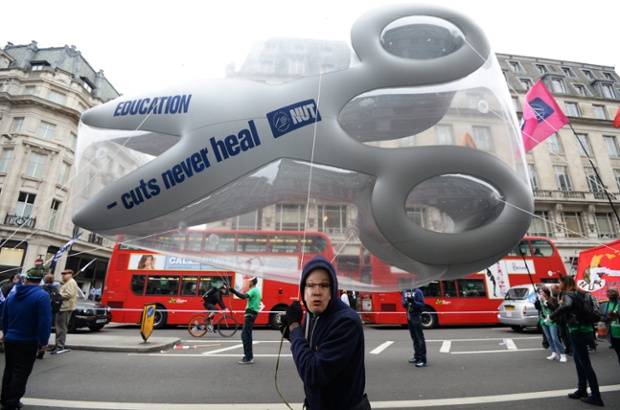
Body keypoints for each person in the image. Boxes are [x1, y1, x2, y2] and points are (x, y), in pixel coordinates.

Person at [284, 256, 370, 410]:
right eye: (310, 285)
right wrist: (292, 334)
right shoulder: (313, 315)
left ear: (332, 290)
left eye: (324, 285)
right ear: (303, 290)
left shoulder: (346, 322)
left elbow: (313, 373)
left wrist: (294, 328)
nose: (316, 292)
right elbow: (313, 347)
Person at [549, 275, 604, 407]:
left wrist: (552, 316)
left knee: (585, 363)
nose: (558, 284)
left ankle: (596, 396)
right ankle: (582, 389)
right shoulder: (581, 293)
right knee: (578, 360)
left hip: (577, 330)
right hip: (587, 329)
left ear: (564, 283)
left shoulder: (568, 294)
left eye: (559, 282)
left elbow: (567, 306)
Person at [1, 267, 51, 410]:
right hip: (27, 340)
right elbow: (44, 321)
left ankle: (5, 398)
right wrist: (44, 341)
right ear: (40, 280)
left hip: (10, 337)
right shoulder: (42, 296)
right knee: (21, 372)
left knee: (9, 370)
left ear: (26, 279)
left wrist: (5, 333)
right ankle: (12, 402)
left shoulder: (13, 294)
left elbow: (5, 316)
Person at [229, 277, 261, 364]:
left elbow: (243, 296)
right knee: (245, 335)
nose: (247, 283)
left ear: (252, 283)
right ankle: (248, 355)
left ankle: (248, 357)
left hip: (250, 315)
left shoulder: (253, 290)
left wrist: (234, 291)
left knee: (246, 336)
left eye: (249, 282)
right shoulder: (257, 291)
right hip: (251, 314)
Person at [50, 269, 78, 355]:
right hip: (62, 307)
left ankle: (60, 346)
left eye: (65, 274)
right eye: (63, 274)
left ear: (70, 274)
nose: (63, 276)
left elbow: (69, 294)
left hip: (65, 307)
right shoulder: (67, 283)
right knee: (59, 327)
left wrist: (58, 295)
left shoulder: (71, 282)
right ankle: (57, 344)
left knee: (61, 327)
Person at [539, 286, 566, 362]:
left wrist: (546, 302)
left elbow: (555, 309)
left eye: (541, 291)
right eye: (540, 292)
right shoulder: (541, 300)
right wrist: (537, 301)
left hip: (552, 320)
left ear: (546, 292)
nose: (540, 293)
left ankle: (562, 354)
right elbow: (538, 308)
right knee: (548, 337)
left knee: (555, 338)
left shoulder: (553, 299)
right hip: (544, 320)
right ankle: (554, 352)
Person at [402, 287, 427, 367]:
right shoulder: (405, 291)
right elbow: (403, 304)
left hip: (416, 316)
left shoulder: (418, 291)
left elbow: (422, 304)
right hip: (409, 316)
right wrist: (406, 302)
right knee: (414, 337)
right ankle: (417, 356)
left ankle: (423, 360)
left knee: (419, 338)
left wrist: (414, 302)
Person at [603, 287, 620, 363]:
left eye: (613, 291)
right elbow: (601, 317)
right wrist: (609, 317)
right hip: (613, 335)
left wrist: (617, 315)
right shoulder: (604, 305)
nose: (610, 292)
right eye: (609, 291)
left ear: (617, 294)